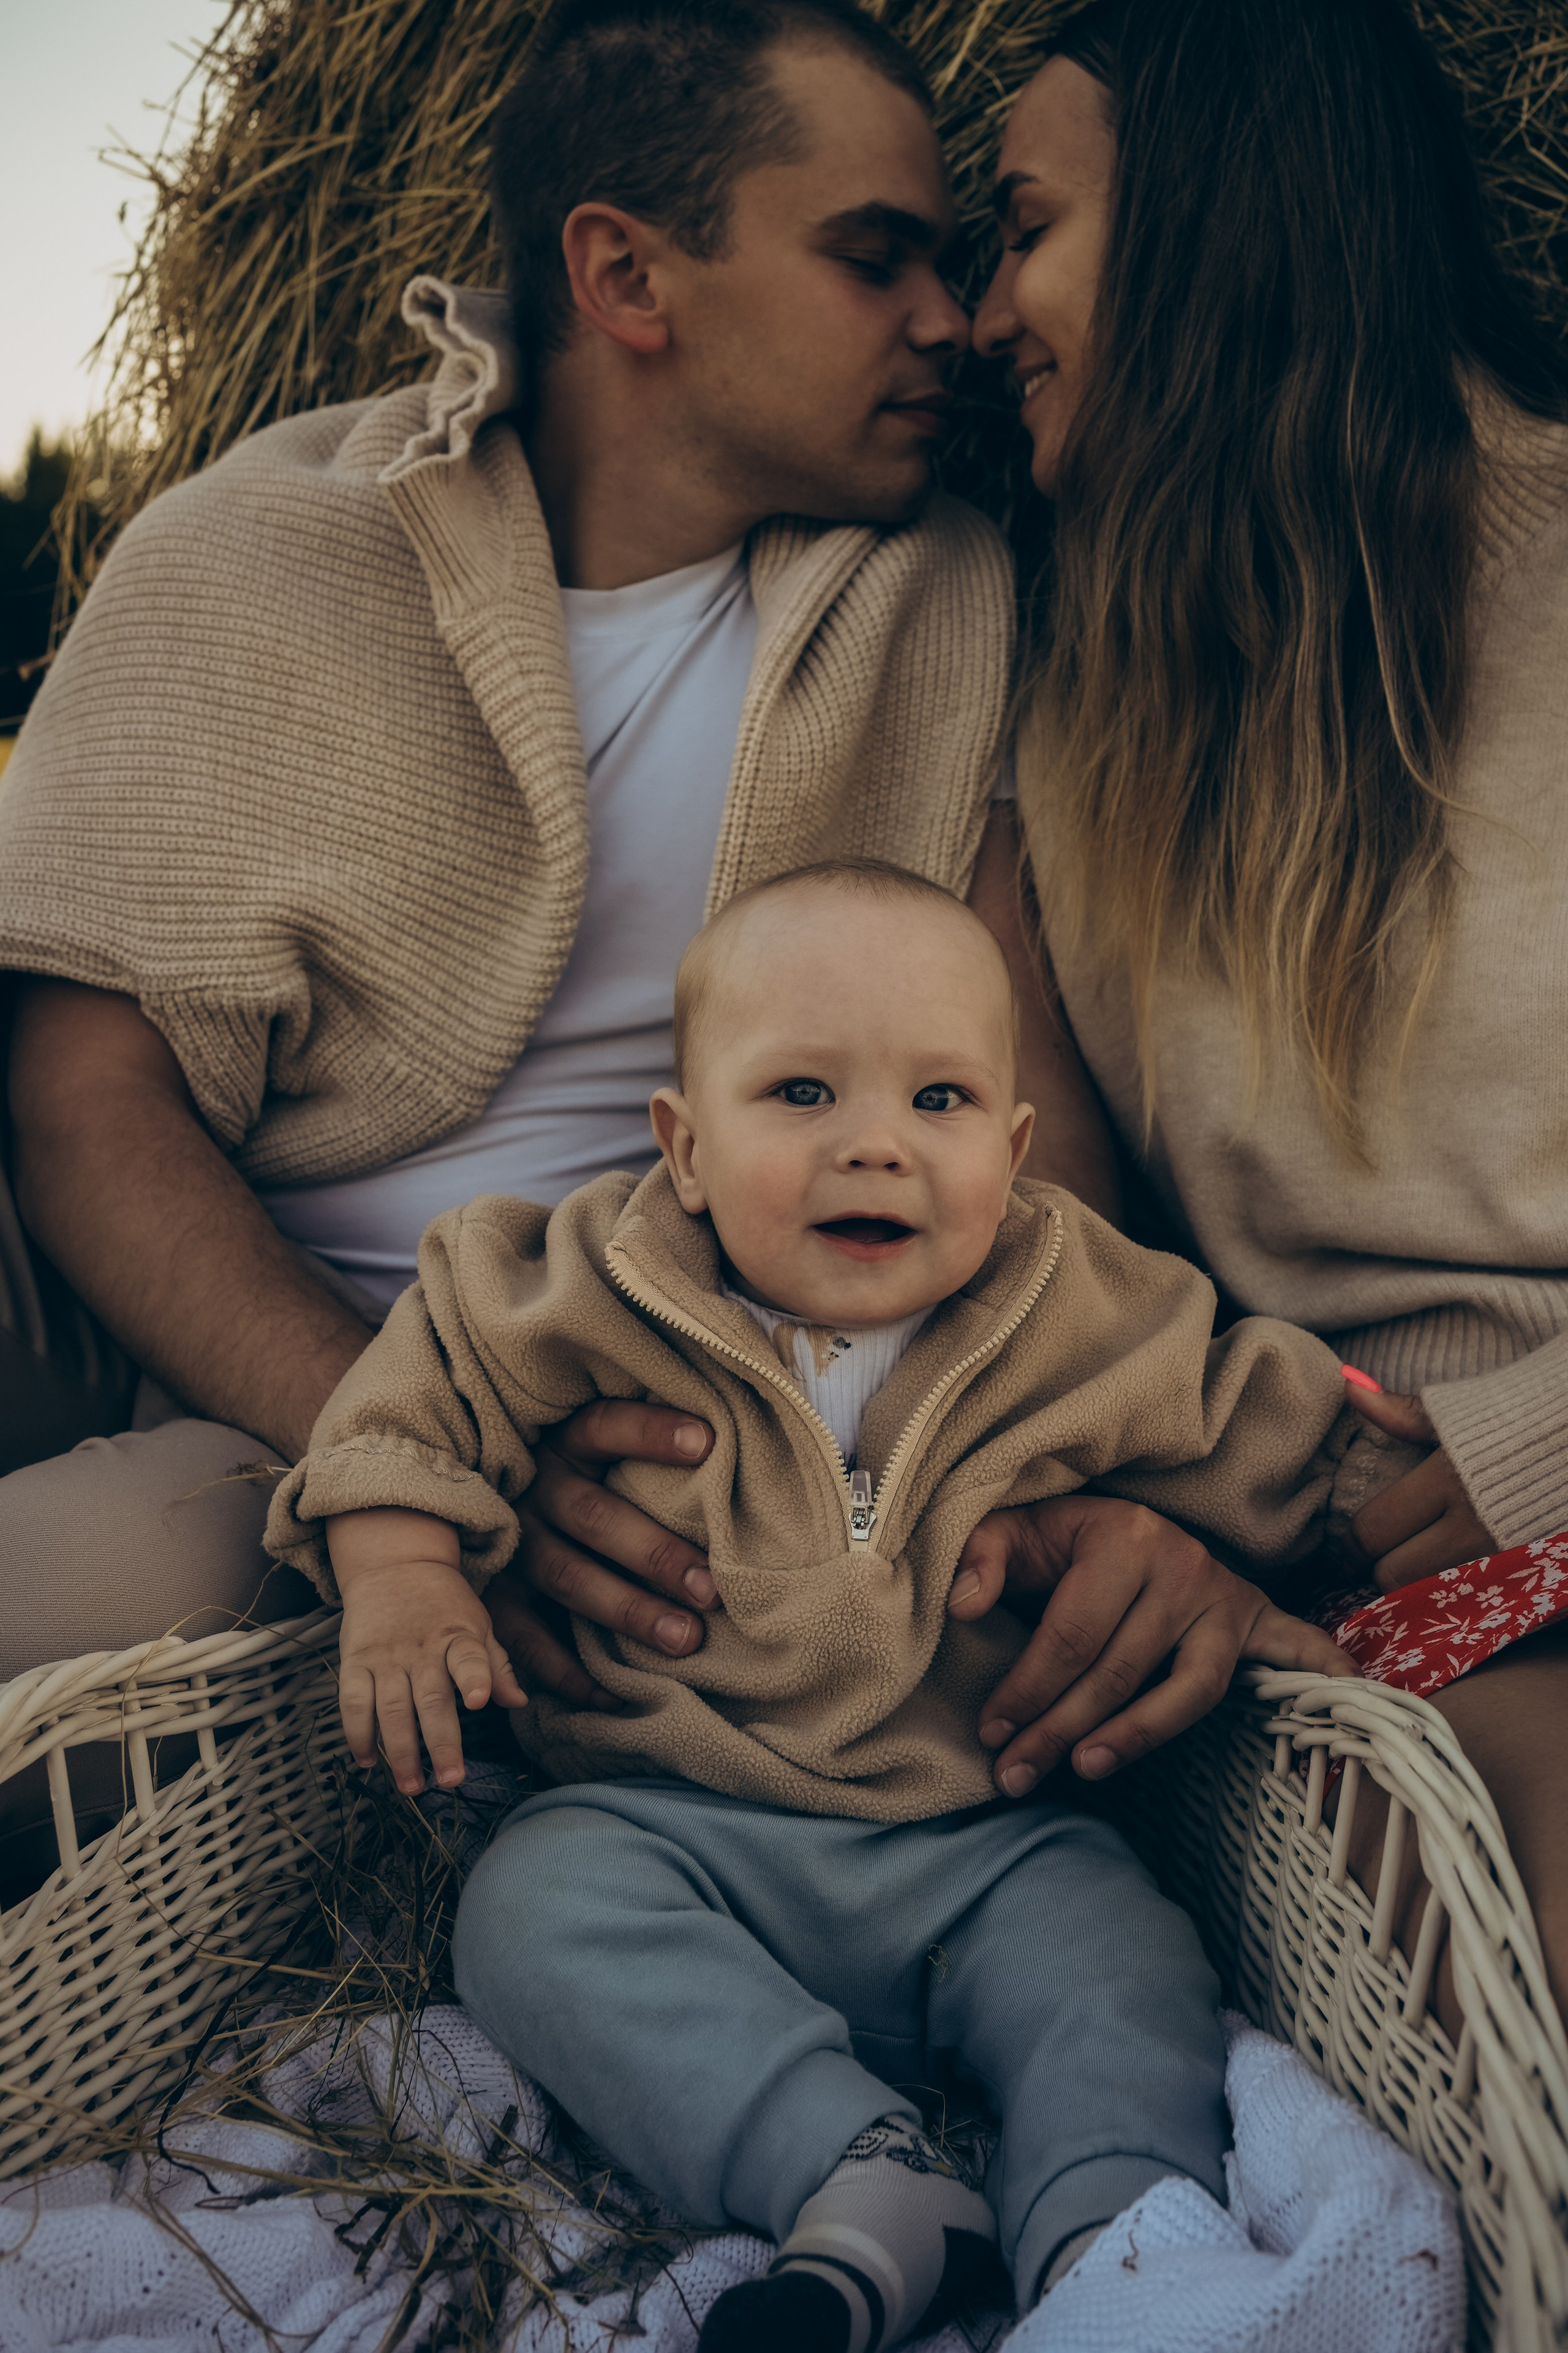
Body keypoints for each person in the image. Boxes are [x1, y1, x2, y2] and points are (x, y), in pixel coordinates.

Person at [266, 859, 1380, 2352]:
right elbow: (421, 1390)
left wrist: (1365, 1497)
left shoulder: (1074, 1305)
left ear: (1012, 1144)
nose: (874, 1144)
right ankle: (856, 2179)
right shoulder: (595, 1282)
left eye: (938, 1100)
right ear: (683, 1147)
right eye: (800, 1094)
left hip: (987, 1838)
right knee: (527, 1908)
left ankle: (1114, 2246)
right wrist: (400, 1568)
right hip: (671, 1822)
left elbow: (1254, 1421)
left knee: (1123, 1962)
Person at [967, 0, 1568, 2023]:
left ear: (1212, 217)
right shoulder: (1059, 728)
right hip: (1365, 1592)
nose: (984, 315)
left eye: (1025, 230)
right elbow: (1054, 1255)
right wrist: (1157, 1521)